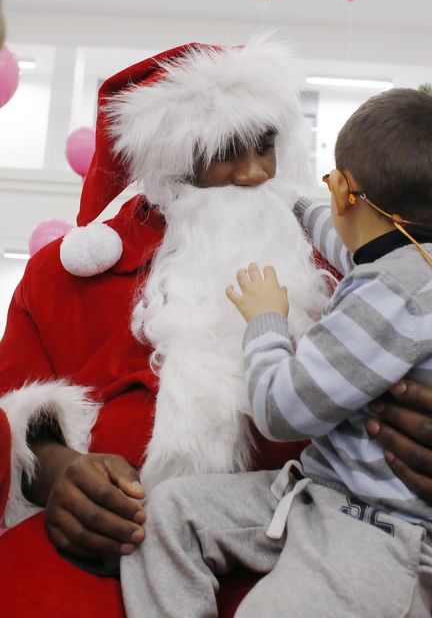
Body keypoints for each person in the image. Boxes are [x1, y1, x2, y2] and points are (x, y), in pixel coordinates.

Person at [0, 40, 431, 618]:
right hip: (125, 553)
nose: (254, 174)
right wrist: (54, 470)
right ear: (171, 157)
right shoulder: (62, 276)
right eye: (226, 150)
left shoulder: (350, 257)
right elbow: (11, 413)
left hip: (354, 543)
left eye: (267, 146)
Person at [120, 88, 432, 618]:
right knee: (167, 512)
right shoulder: (406, 256)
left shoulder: (390, 294)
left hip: (373, 528)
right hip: (315, 492)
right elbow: (350, 244)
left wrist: (265, 321)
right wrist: (287, 199)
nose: (250, 174)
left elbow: (285, 410)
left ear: (347, 195)